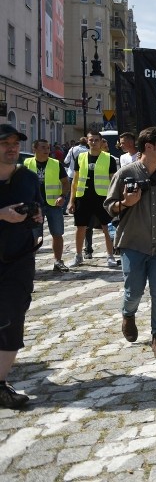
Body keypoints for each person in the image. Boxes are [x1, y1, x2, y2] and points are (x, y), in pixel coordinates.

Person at [104, 127, 156, 359]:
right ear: (148, 147)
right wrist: (125, 202)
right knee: (134, 291)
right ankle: (128, 314)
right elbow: (109, 207)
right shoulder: (124, 173)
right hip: (133, 242)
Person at [0, 124, 43, 409]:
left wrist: (36, 215)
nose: (12, 148)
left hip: (19, 260)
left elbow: (36, 206)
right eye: (5, 143)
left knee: (13, 318)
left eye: (15, 143)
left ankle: (0, 384)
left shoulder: (28, 177)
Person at [68, 129, 118, 268]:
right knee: (80, 227)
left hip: (102, 198)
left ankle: (110, 256)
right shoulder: (81, 157)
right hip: (83, 197)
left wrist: (113, 200)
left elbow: (113, 180)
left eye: (97, 140)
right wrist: (71, 201)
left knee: (107, 227)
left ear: (101, 142)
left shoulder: (109, 159)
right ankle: (78, 256)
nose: (94, 142)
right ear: (87, 141)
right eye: (91, 140)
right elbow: (75, 180)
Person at [24, 139, 71, 272]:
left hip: (53, 204)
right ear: (35, 149)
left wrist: (63, 196)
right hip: (34, 206)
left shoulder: (56, 164)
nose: (47, 150)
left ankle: (58, 261)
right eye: (43, 147)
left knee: (57, 233)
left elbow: (65, 182)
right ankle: (30, 264)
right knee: (34, 236)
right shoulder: (27, 163)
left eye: (48, 148)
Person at [62, 137, 88, 215]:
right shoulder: (87, 151)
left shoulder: (72, 149)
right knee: (81, 193)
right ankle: (78, 208)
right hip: (82, 175)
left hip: (71, 173)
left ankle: (64, 209)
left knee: (68, 192)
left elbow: (66, 161)